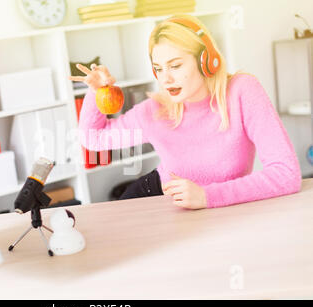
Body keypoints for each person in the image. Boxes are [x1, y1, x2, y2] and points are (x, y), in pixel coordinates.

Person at [69, 14, 302, 209]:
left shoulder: (242, 91)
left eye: (176, 65)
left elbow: (286, 173)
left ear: (206, 61)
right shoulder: (155, 110)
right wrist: (95, 92)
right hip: (157, 199)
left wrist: (207, 196)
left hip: (212, 208)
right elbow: (93, 140)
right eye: (158, 68)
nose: (165, 78)